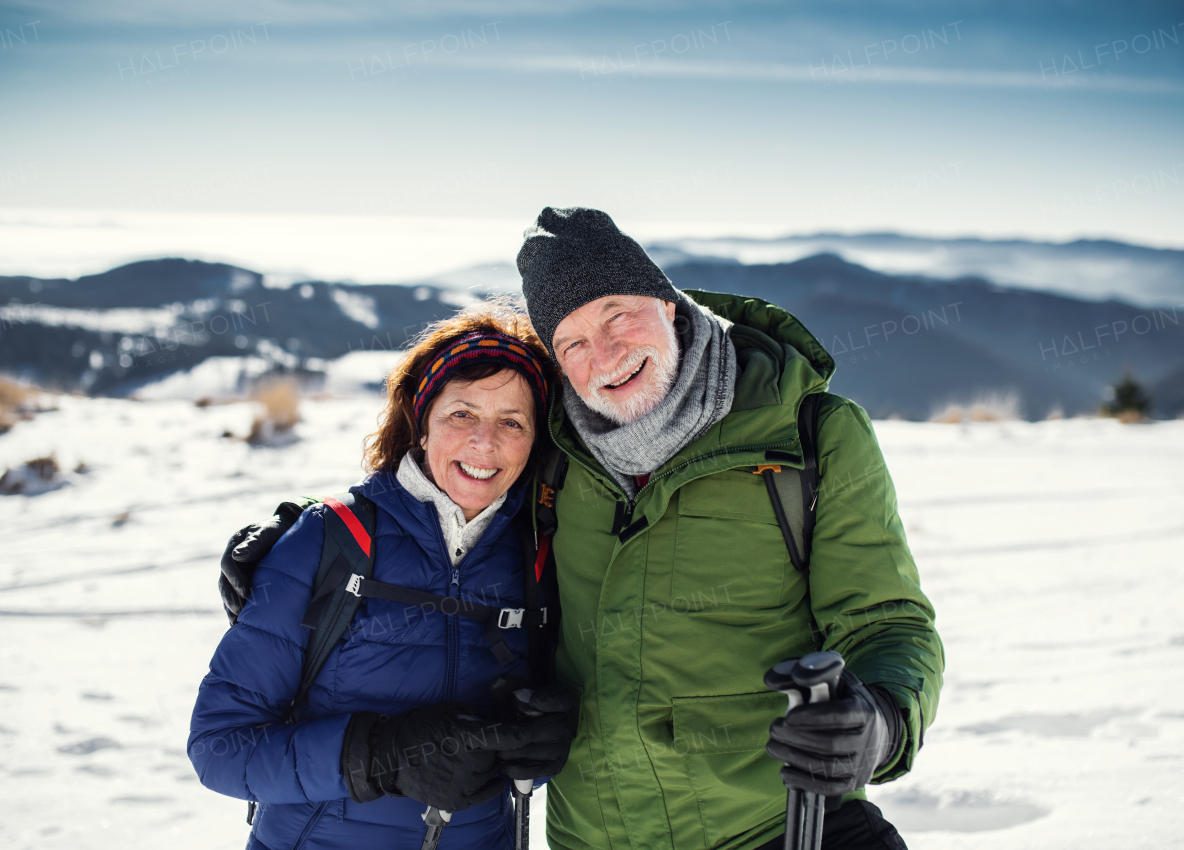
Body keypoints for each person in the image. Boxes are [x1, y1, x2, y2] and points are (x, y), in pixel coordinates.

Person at [222, 208, 944, 850]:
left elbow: (887, 622)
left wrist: (879, 720)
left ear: (668, 302)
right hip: (588, 833)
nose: (603, 357)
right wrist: (300, 545)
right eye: (570, 342)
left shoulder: (809, 439)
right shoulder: (553, 450)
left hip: (770, 825)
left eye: (617, 315)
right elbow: (452, 500)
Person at [189, 303, 576, 849]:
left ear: (535, 441)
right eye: (461, 414)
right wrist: (382, 758)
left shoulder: (542, 558)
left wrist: (541, 745)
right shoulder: (327, 542)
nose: (484, 442)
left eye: (512, 422)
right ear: (421, 424)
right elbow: (220, 748)